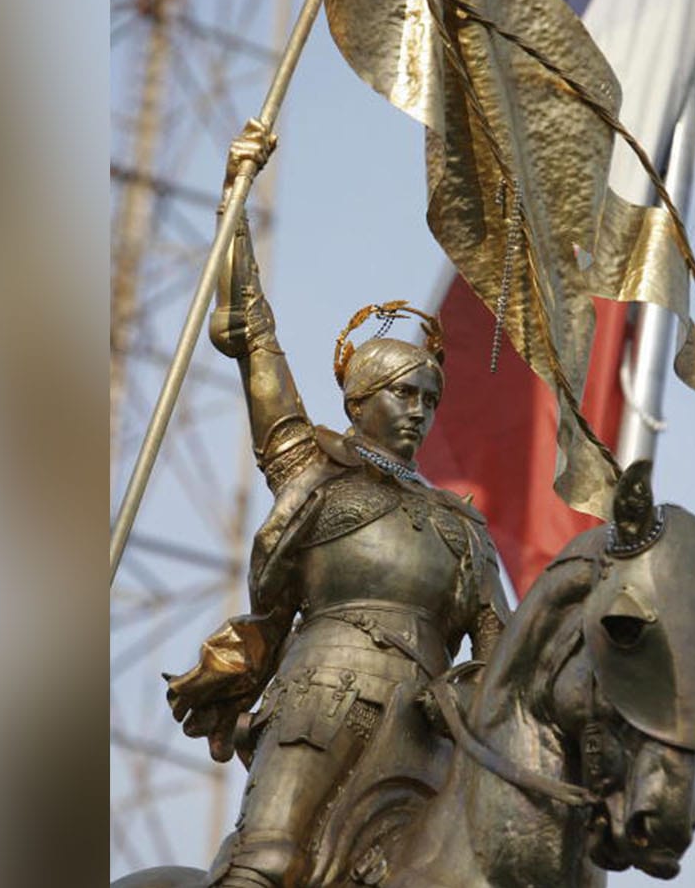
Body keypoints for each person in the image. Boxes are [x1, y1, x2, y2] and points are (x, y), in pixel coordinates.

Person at [163, 136, 509, 888]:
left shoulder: (462, 526)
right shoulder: (314, 468)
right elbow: (251, 333)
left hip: (427, 732)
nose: (419, 412)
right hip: (323, 698)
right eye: (403, 395)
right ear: (358, 400)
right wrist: (236, 202)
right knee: (268, 859)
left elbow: (500, 650)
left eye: (428, 400)